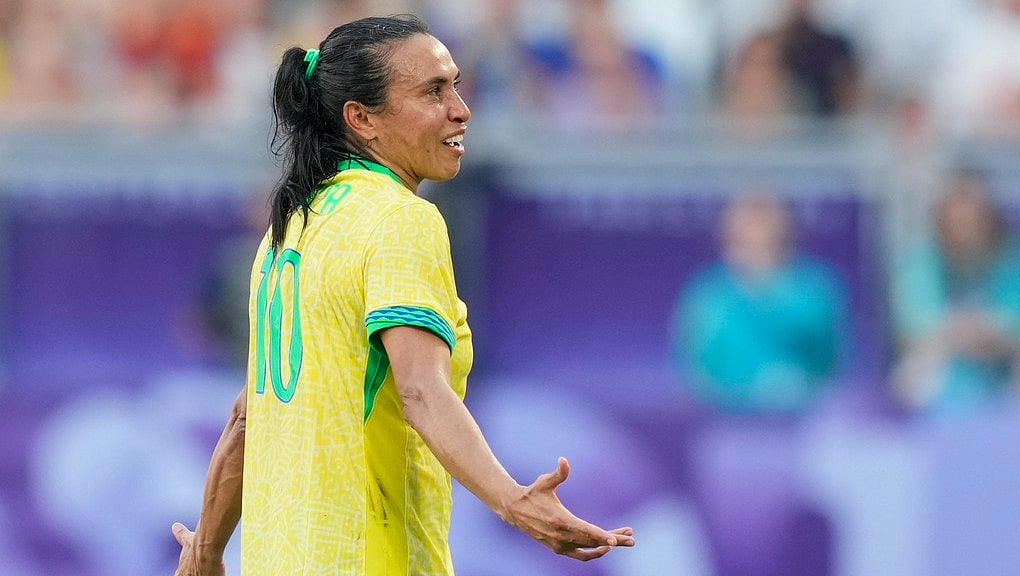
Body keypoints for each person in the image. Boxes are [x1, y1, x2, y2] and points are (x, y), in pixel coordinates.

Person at [169, 14, 634, 576]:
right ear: (362, 119)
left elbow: (248, 417)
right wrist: (513, 501)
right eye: (433, 92)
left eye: (456, 85)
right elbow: (419, 391)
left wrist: (208, 552)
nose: (460, 108)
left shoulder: (286, 231)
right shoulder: (401, 220)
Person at [671, 191, 848, 414]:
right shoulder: (709, 296)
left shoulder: (814, 290)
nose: (757, 236)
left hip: (803, 421)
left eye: (764, 225)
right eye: (747, 230)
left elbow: (831, 364)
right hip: (728, 421)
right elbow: (696, 373)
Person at [891, 169, 1020, 413]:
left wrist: (974, 331)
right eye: (958, 216)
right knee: (914, 365)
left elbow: (1016, 324)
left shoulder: (1012, 260)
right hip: (942, 369)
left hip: (1001, 368)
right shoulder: (921, 261)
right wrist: (968, 332)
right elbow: (913, 328)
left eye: (975, 216)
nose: (966, 223)